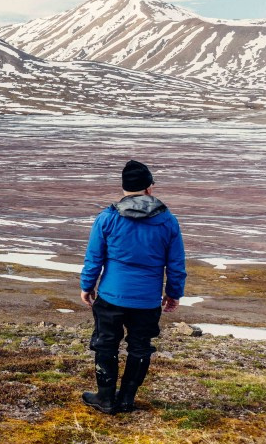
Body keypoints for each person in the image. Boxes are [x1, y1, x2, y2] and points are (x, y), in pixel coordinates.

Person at [80, 160, 186, 414]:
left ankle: (105, 399)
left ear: (124, 187)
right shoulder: (168, 221)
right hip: (147, 300)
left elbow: (94, 258)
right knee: (140, 347)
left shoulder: (107, 218)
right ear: (150, 187)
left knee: (106, 344)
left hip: (111, 296)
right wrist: (173, 293)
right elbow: (176, 263)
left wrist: (87, 285)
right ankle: (127, 399)